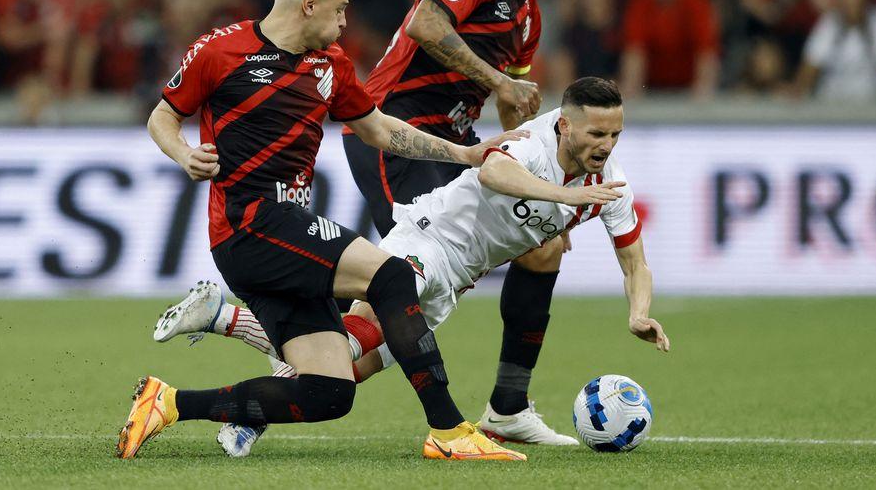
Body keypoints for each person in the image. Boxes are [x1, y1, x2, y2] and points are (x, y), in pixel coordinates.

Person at [116, 0, 527, 462]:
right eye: (339, 8)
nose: (344, 20)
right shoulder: (220, 50)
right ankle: (448, 429)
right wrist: (184, 155)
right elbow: (163, 116)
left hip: (285, 233)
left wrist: (463, 152)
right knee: (394, 278)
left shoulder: (331, 66)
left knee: (329, 393)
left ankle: (169, 403)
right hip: (250, 226)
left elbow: (377, 129)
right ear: (308, 3)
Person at [156, 77, 670, 457]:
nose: (604, 146)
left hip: (458, 279)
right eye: (596, 133)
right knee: (349, 343)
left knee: (346, 372)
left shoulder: (610, 184)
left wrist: (638, 313)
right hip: (429, 240)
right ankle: (445, 434)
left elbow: (634, 261)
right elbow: (493, 171)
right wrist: (565, 198)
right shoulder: (535, 143)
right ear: (565, 125)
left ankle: (224, 322)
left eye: (614, 136)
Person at [341, 0, 585, 442]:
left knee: (541, 247)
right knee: (401, 291)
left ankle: (509, 407)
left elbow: (510, 102)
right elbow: (427, 23)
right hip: (394, 135)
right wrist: (501, 81)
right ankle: (273, 390)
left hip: (457, 144)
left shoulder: (528, 18)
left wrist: (534, 177)